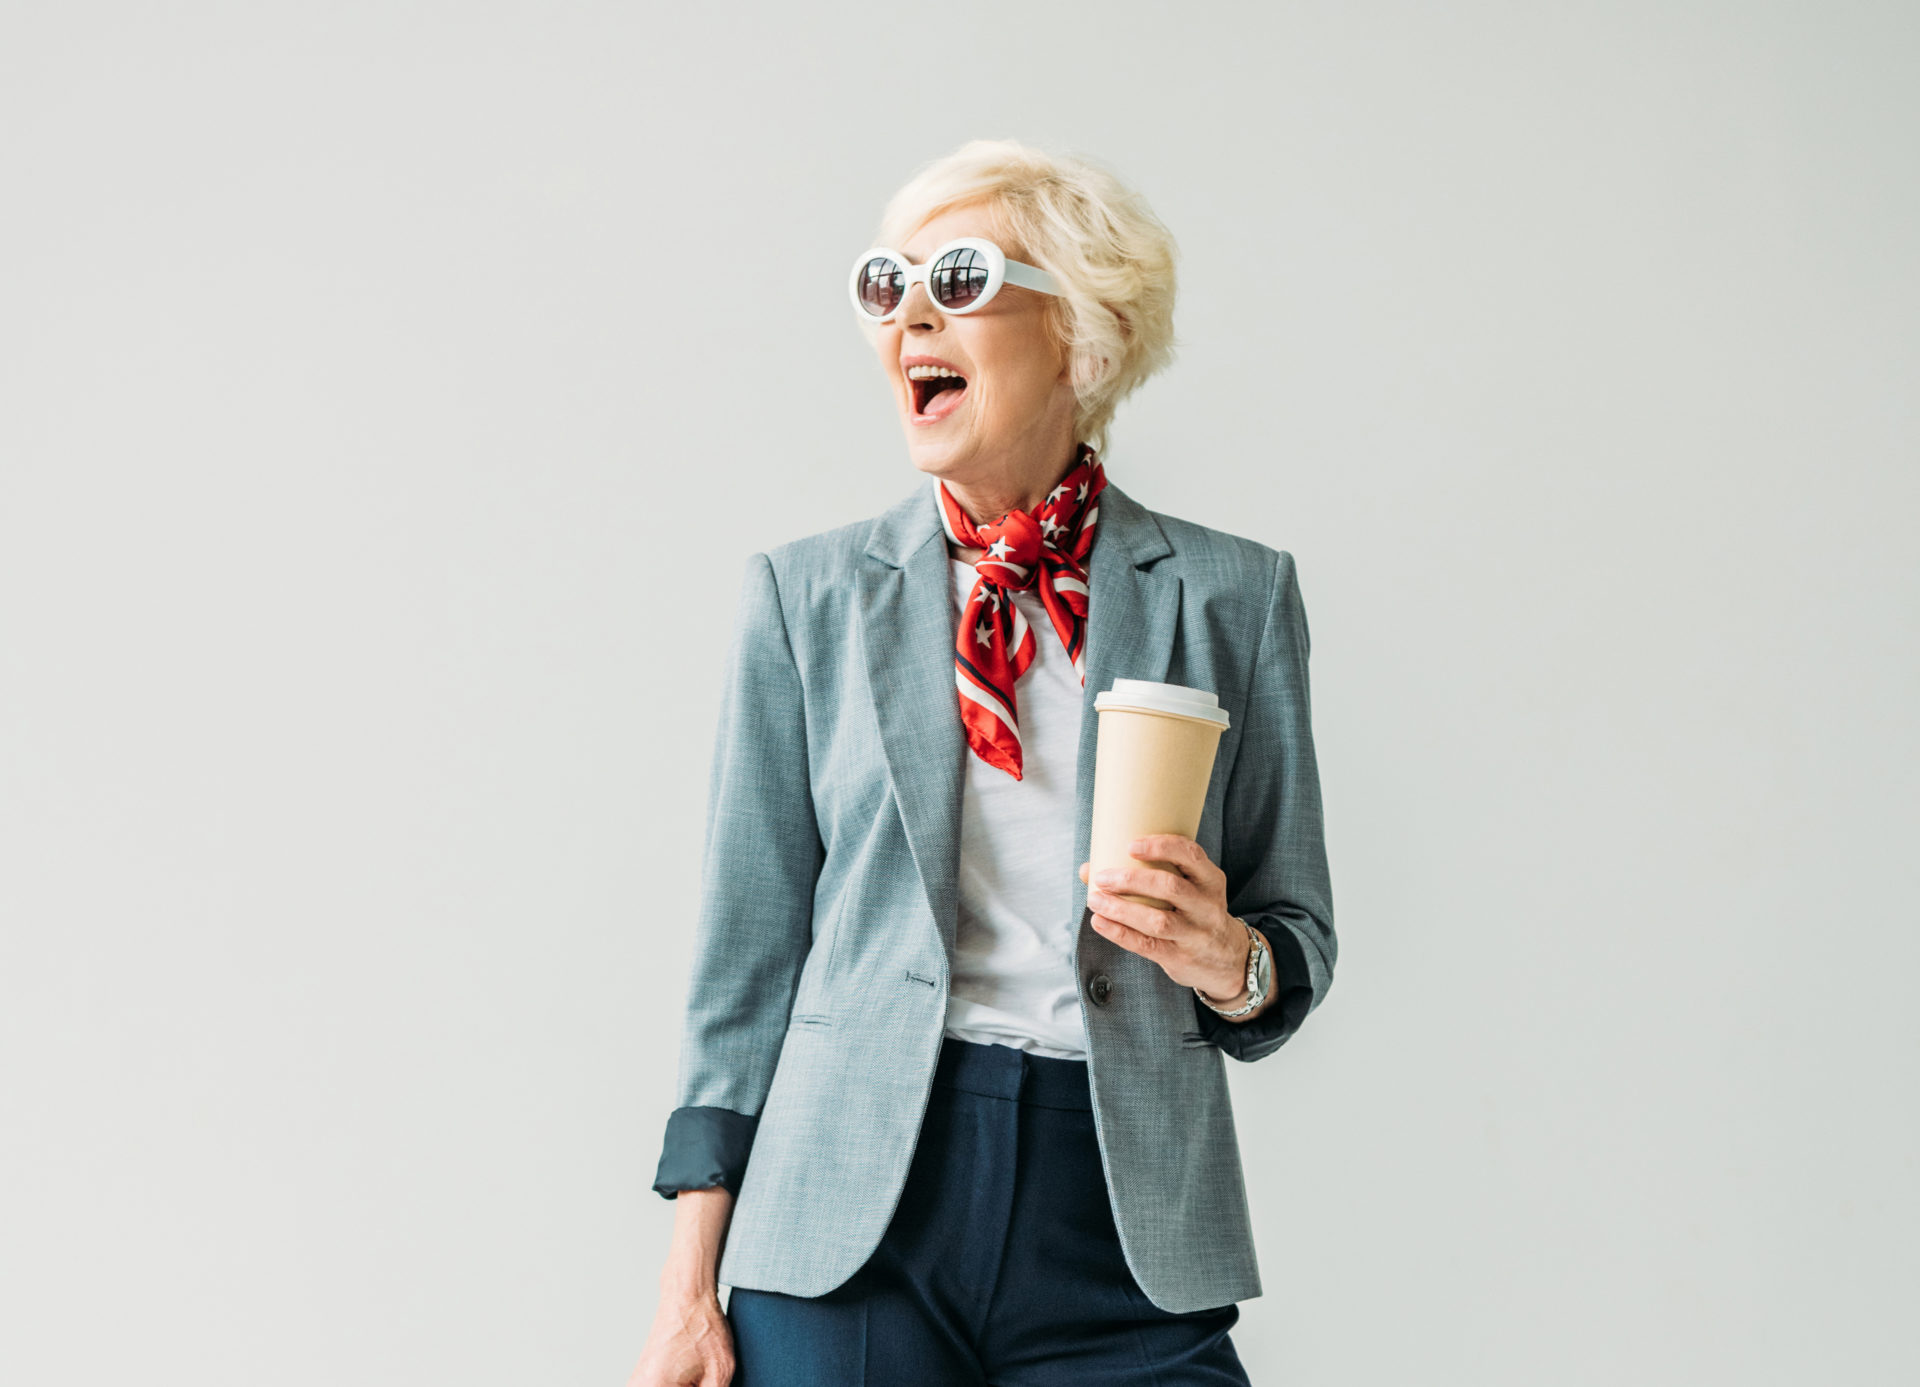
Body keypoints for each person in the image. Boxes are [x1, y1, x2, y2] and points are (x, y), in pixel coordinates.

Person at [627, 138, 1336, 1387]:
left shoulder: (1234, 596)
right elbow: (745, 962)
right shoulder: (805, 599)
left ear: (1082, 332)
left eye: (957, 279)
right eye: (886, 285)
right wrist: (688, 1288)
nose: (910, 318)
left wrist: (1230, 960)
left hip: (1121, 1217)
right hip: (850, 1218)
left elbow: (1295, 934)